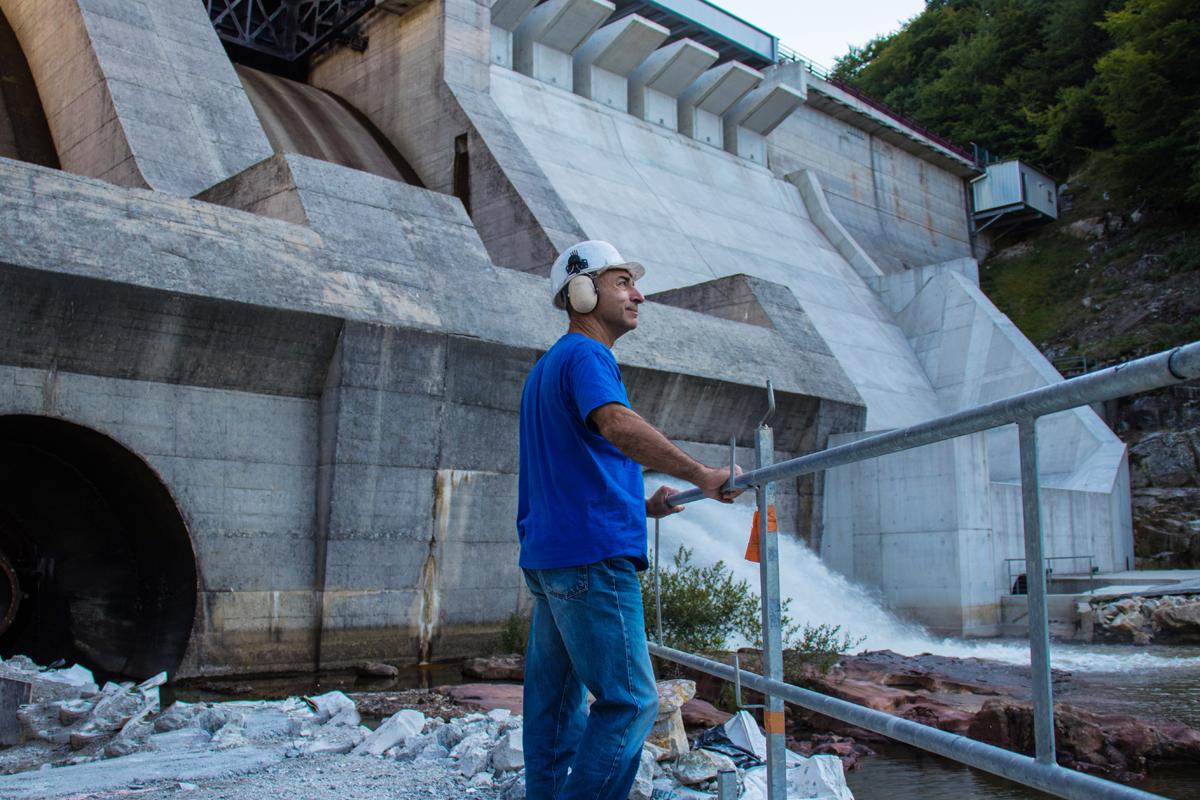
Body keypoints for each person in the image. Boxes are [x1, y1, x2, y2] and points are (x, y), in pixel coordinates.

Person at [516, 240, 743, 800]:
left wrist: (643, 504)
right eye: (622, 282)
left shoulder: (546, 368)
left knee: (555, 701)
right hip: (593, 557)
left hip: (552, 557)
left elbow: (571, 468)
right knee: (632, 701)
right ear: (582, 291)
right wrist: (702, 473)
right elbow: (616, 424)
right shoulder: (590, 357)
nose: (638, 294)